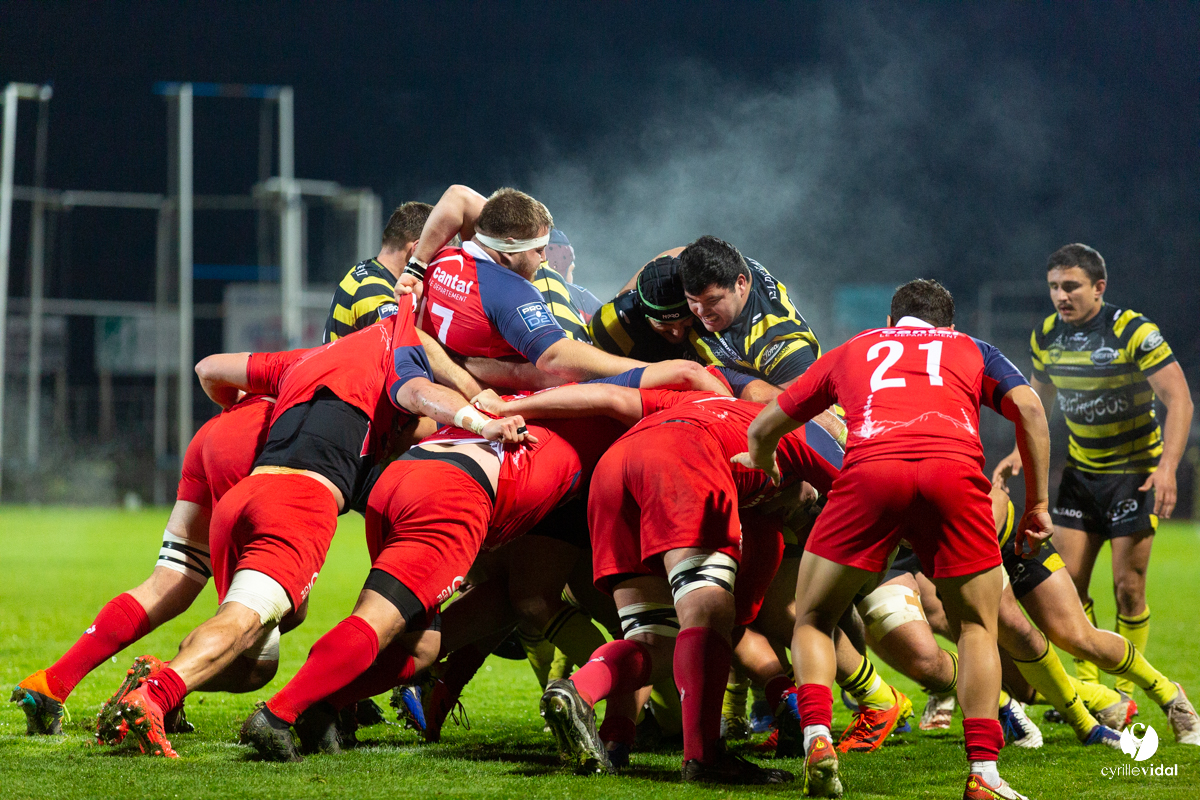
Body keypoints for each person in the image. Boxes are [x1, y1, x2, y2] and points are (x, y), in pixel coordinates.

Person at [98, 298, 530, 758]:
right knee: (242, 624)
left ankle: (155, 677)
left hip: (245, 495)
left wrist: (238, 408)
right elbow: (421, 400)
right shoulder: (399, 352)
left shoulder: (315, 356)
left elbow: (209, 368)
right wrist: (478, 419)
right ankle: (155, 697)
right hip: (299, 505)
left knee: (257, 664)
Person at [738, 279, 1049, 800]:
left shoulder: (855, 348)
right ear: (947, 327)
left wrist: (763, 462)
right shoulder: (972, 348)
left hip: (871, 476)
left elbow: (765, 425)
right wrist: (1036, 505)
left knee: (814, 617)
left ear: (890, 323)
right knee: (975, 625)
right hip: (953, 475)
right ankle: (984, 775)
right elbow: (1031, 410)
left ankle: (817, 736)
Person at [477, 382, 841, 783]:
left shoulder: (699, 401)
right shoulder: (804, 434)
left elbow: (608, 397)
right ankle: (705, 757)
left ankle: (582, 696)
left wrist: (514, 404)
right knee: (708, 611)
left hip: (615, 467)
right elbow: (861, 487)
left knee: (653, 638)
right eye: (806, 504)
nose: (797, 511)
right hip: (686, 455)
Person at [240, 412, 626, 762]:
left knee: (423, 647)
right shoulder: (600, 439)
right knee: (378, 619)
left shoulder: (525, 403)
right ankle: (279, 713)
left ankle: (327, 703)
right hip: (453, 494)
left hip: (401, 478)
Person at [992, 243, 1193, 694]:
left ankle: (1127, 688)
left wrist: (1167, 468)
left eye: (1071, 287)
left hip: (1134, 473)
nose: (1061, 296)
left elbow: (1179, 399)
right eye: (1054, 287)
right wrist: (1017, 452)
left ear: (1099, 287)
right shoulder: (1046, 334)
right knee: (1072, 587)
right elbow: (1037, 403)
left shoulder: (1132, 330)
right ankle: (1095, 686)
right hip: (1082, 475)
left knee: (1128, 588)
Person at [11, 395, 273, 736]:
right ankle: (157, 689)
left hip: (219, 431)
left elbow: (210, 370)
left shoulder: (299, 361)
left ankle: (52, 683)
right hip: (263, 445)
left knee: (166, 583)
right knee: (259, 660)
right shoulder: (350, 376)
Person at [679, 235, 820, 386]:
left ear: (740, 284)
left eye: (712, 301)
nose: (701, 311)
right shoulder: (727, 266)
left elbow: (817, 407)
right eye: (693, 301)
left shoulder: (776, 341)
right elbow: (678, 253)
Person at [589, 253, 699, 363]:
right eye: (663, 324)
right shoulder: (612, 326)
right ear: (643, 314)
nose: (678, 333)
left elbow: (682, 250)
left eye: (685, 321)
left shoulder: (708, 307)